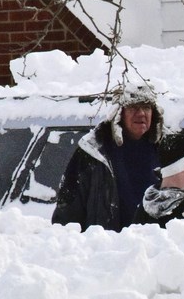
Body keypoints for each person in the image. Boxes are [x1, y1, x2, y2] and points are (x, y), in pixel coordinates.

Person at [52, 83, 163, 231]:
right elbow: (68, 212)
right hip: (107, 242)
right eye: (133, 107)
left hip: (155, 242)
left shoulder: (168, 150)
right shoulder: (94, 151)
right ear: (119, 113)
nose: (141, 113)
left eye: (147, 107)